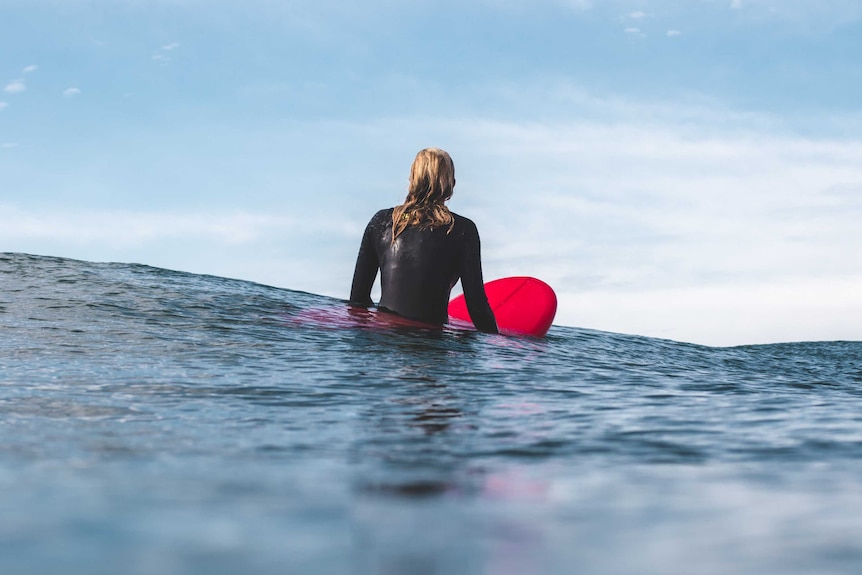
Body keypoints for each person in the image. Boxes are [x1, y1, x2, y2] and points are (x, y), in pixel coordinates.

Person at [349, 148, 498, 333]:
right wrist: (502, 345)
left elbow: (357, 301)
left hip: (384, 342)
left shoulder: (381, 221)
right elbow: (477, 308)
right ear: (451, 184)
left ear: (412, 179)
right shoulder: (462, 230)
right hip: (431, 343)